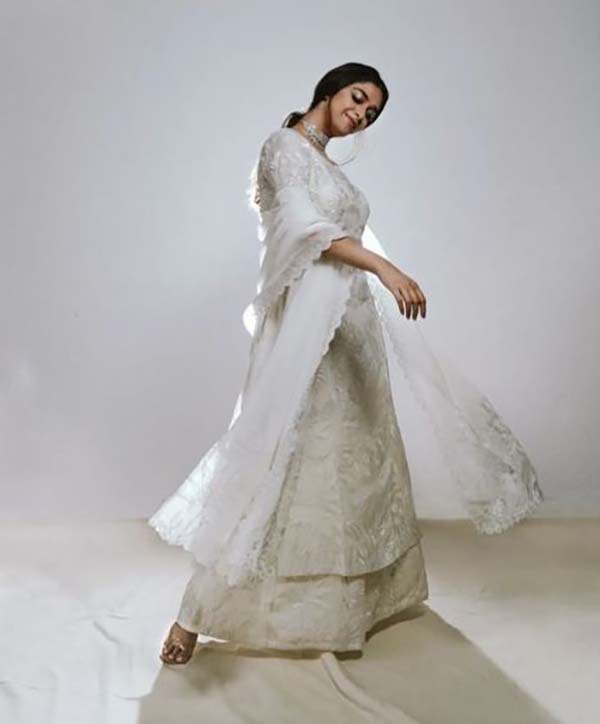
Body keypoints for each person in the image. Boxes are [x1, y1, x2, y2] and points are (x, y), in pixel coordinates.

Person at [149, 62, 544, 665]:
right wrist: (386, 270)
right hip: (309, 334)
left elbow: (343, 236)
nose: (361, 115)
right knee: (278, 458)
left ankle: (349, 609)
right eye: (358, 99)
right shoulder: (283, 146)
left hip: (352, 332)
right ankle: (193, 617)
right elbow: (303, 229)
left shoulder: (327, 166)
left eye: (371, 113)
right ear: (330, 90)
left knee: (354, 465)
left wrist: (378, 277)